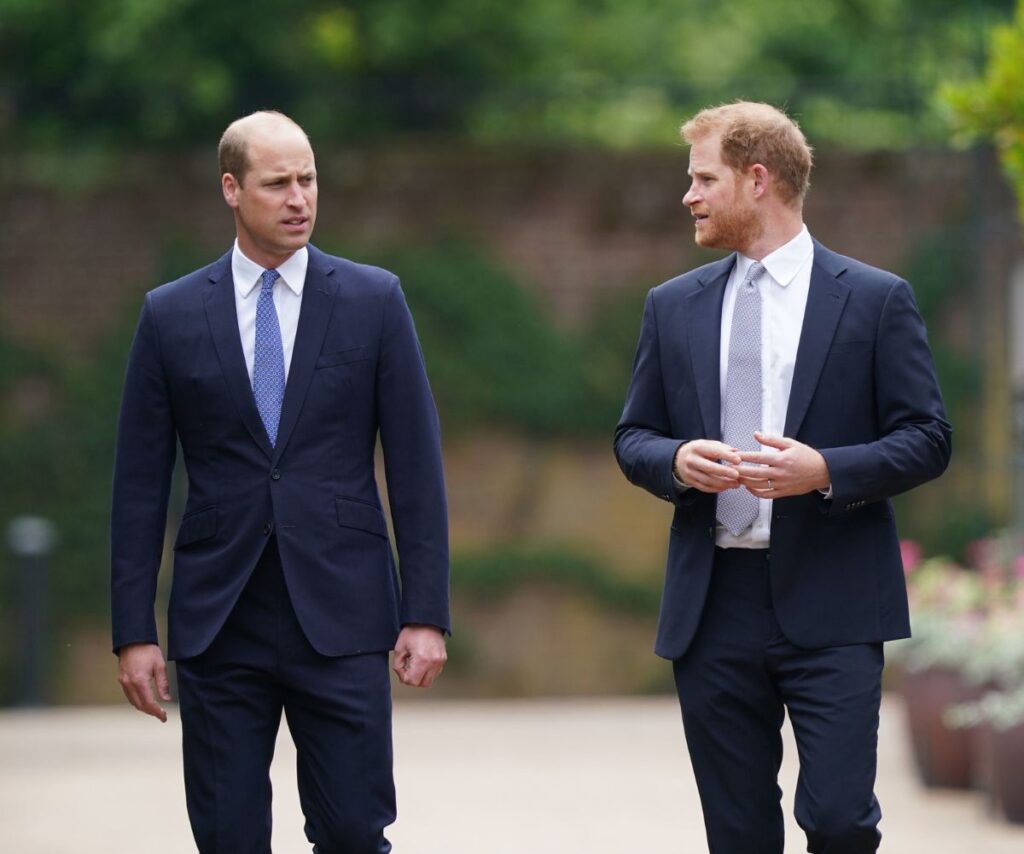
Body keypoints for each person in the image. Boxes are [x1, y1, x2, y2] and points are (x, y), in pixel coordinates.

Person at [614, 102, 951, 853]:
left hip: (835, 599)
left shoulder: (874, 298)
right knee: (737, 834)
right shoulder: (672, 307)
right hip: (713, 606)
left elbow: (928, 439)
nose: (689, 196)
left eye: (704, 178)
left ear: (756, 179)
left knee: (839, 822)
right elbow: (632, 436)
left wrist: (825, 470)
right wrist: (673, 461)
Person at [110, 110, 450, 853]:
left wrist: (425, 612)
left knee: (354, 833)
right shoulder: (169, 315)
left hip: (345, 614)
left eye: (309, 179)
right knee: (227, 837)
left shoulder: (373, 300)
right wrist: (134, 631)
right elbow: (138, 484)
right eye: (277, 183)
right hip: (218, 619)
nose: (299, 198)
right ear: (232, 189)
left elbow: (418, 466)